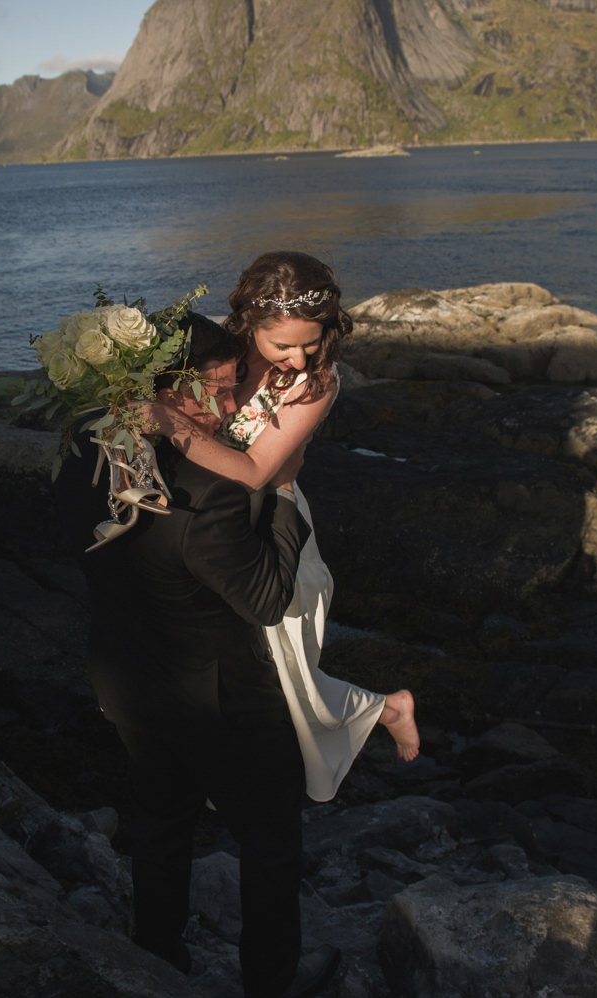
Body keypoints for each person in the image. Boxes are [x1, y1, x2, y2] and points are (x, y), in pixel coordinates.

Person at [54, 395, 341, 997]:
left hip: (128, 679)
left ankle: (157, 958)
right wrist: (283, 492)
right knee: (270, 840)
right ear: (161, 389)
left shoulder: (90, 447)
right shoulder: (210, 490)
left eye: (232, 389)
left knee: (160, 821)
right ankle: (272, 984)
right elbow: (266, 598)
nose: (227, 405)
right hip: (221, 698)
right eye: (208, 389)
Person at [142, 251, 419, 802]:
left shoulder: (316, 383)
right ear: (249, 322)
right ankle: (219, 772)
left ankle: (385, 710)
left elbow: (255, 472)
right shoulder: (211, 348)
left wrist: (167, 421)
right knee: (222, 661)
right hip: (199, 523)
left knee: (284, 668)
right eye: (283, 345)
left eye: (311, 343)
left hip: (269, 520)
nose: (298, 358)